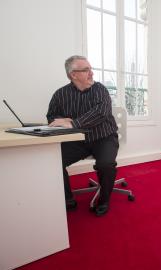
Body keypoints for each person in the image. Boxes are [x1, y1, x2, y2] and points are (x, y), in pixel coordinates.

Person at [47, 55, 119, 216]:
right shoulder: (60, 94)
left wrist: (73, 123)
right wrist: (60, 119)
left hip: (104, 137)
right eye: (86, 70)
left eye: (90, 69)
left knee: (106, 164)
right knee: (53, 160)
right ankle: (67, 198)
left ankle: (104, 199)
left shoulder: (99, 88)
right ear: (73, 74)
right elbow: (51, 117)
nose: (91, 73)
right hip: (78, 140)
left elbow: (101, 112)